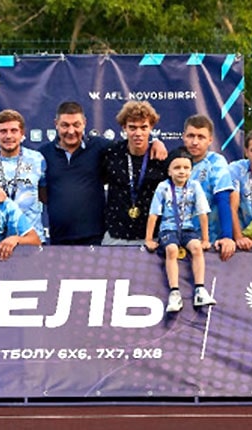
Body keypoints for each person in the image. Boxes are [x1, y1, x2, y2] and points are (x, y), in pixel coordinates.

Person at [39, 101, 166, 245]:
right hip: (58, 236)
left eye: (76, 125)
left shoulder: (101, 147)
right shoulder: (43, 154)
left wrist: (156, 143)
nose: (71, 131)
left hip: (95, 236)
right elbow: (40, 192)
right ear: (56, 124)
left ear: (84, 123)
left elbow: (133, 146)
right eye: (65, 125)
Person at [145, 148, 215, 313]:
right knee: (172, 249)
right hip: (168, 228)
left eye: (186, 168)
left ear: (191, 170)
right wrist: (148, 238)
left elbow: (203, 213)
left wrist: (205, 239)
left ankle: (200, 289)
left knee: (196, 248)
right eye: (177, 168)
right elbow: (154, 214)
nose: (182, 171)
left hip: (187, 228)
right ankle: (175, 293)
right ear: (169, 171)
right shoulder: (163, 187)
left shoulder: (195, 186)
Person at [101, 101, 168, 245]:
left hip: (152, 238)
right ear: (124, 127)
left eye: (144, 127)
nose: (138, 133)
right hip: (115, 237)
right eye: (132, 127)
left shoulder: (160, 158)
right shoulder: (111, 153)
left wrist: (158, 142)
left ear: (151, 127)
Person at [0, 109, 47, 241]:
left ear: (22, 133)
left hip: (32, 239)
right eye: (3, 131)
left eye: (14, 131)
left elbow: (44, 194)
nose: (8, 136)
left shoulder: (37, 159)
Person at [182, 114, 236, 260]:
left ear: (210, 140)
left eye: (201, 137)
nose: (195, 142)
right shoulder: (175, 159)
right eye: (191, 136)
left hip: (210, 242)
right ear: (183, 137)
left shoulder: (216, 162)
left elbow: (223, 199)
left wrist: (227, 237)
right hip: (180, 240)